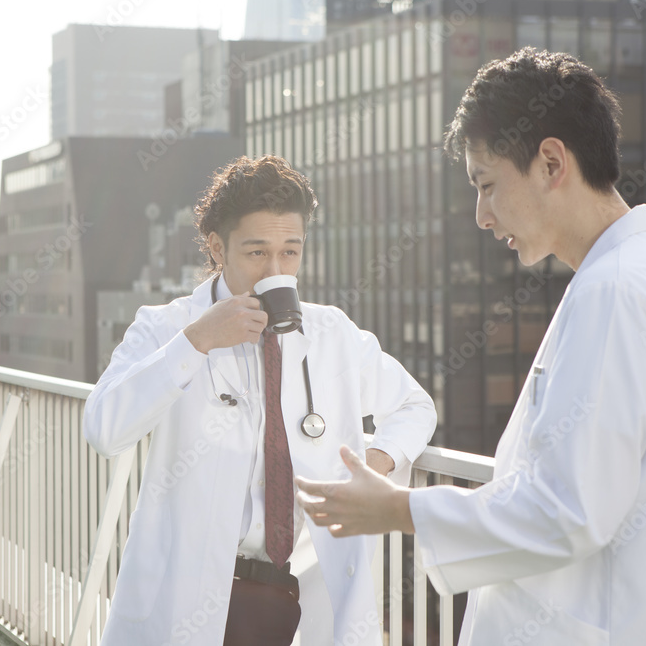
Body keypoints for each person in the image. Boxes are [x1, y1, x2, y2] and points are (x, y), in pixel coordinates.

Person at [296, 47, 646, 645]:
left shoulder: (616, 291)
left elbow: (568, 510)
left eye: (488, 185)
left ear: (551, 161)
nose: (481, 215)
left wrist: (398, 509)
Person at [82, 154, 437, 646]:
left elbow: (415, 407)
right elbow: (104, 428)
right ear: (217, 247)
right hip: (191, 595)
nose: (276, 270)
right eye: (256, 253)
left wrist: (374, 464)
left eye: (290, 252)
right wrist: (196, 341)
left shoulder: (330, 332)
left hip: (305, 591)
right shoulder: (166, 327)